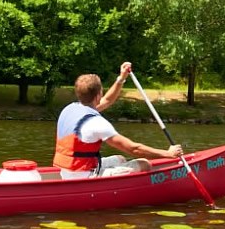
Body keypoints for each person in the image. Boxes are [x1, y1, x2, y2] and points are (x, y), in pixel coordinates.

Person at [54, 62, 183, 179]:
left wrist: (121, 78)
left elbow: (107, 101)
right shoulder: (96, 123)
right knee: (144, 163)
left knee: (120, 159)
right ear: (99, 93)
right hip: (85, 176)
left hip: (66, 171)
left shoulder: (70, 109)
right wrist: (168, 154)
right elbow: (134, 149)